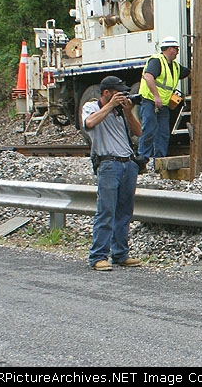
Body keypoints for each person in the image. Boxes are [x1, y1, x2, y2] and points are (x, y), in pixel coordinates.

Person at [83, 75, 143, 271]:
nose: (122, 96)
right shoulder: (91, 107)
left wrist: (127, 112)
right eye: (118, 93)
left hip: (127, 164)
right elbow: (89, 123)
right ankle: (98, 256)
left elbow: (138, 132)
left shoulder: (120, 112)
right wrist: (110, 106)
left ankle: (120, 254)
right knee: (106, 211)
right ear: (106, 93)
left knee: (124, 212)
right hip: (108, 164)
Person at [137, 36, 190, 167]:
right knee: (149, 130)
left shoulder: (175, 67)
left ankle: (159, 161)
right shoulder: (157, 61)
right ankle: (142, 160)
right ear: (170, 49)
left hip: (163, 105)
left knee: (163, 132)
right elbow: (148, 77)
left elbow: (189, 73)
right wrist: (156, 96)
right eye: (176, 49)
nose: (177, 52)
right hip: (150, 101)